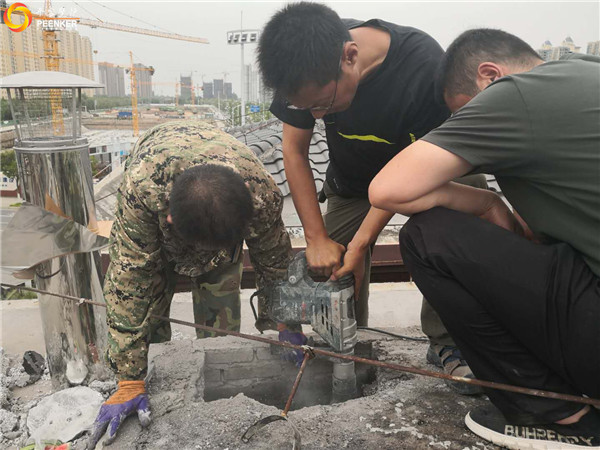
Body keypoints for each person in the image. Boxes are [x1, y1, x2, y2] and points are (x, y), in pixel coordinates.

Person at [369, 29, 600, 448]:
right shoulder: (586, 71)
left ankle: (558, 416)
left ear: (490, 75)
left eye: (465, 113)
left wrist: (486, 202)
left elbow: (387, 189)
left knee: (428, 236)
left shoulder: (517, 93)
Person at [257, 1, 487, 394]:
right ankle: (348, 340)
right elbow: (294, 151)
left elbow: (410, 178)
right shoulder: (300, 64)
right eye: (307, 108)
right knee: (330, 268)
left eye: (322, 105)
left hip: (425, 177)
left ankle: (446, 339)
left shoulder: (423, 69)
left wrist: (362, 243)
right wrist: (316, 238)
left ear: (350, 57)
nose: (316, 116)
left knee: (459, 224)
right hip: (353, 182)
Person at [87, 121, 300, 448]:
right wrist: (128, 378)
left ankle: (220, 387)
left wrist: (287, 321)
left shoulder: (261, 195)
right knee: (151, 315)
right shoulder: (143, 190)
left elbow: (275, 262)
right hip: (159, 224)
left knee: (220, 321)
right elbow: (129, 281)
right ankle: (151, 382)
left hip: (220, 220)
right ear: (170, 219)